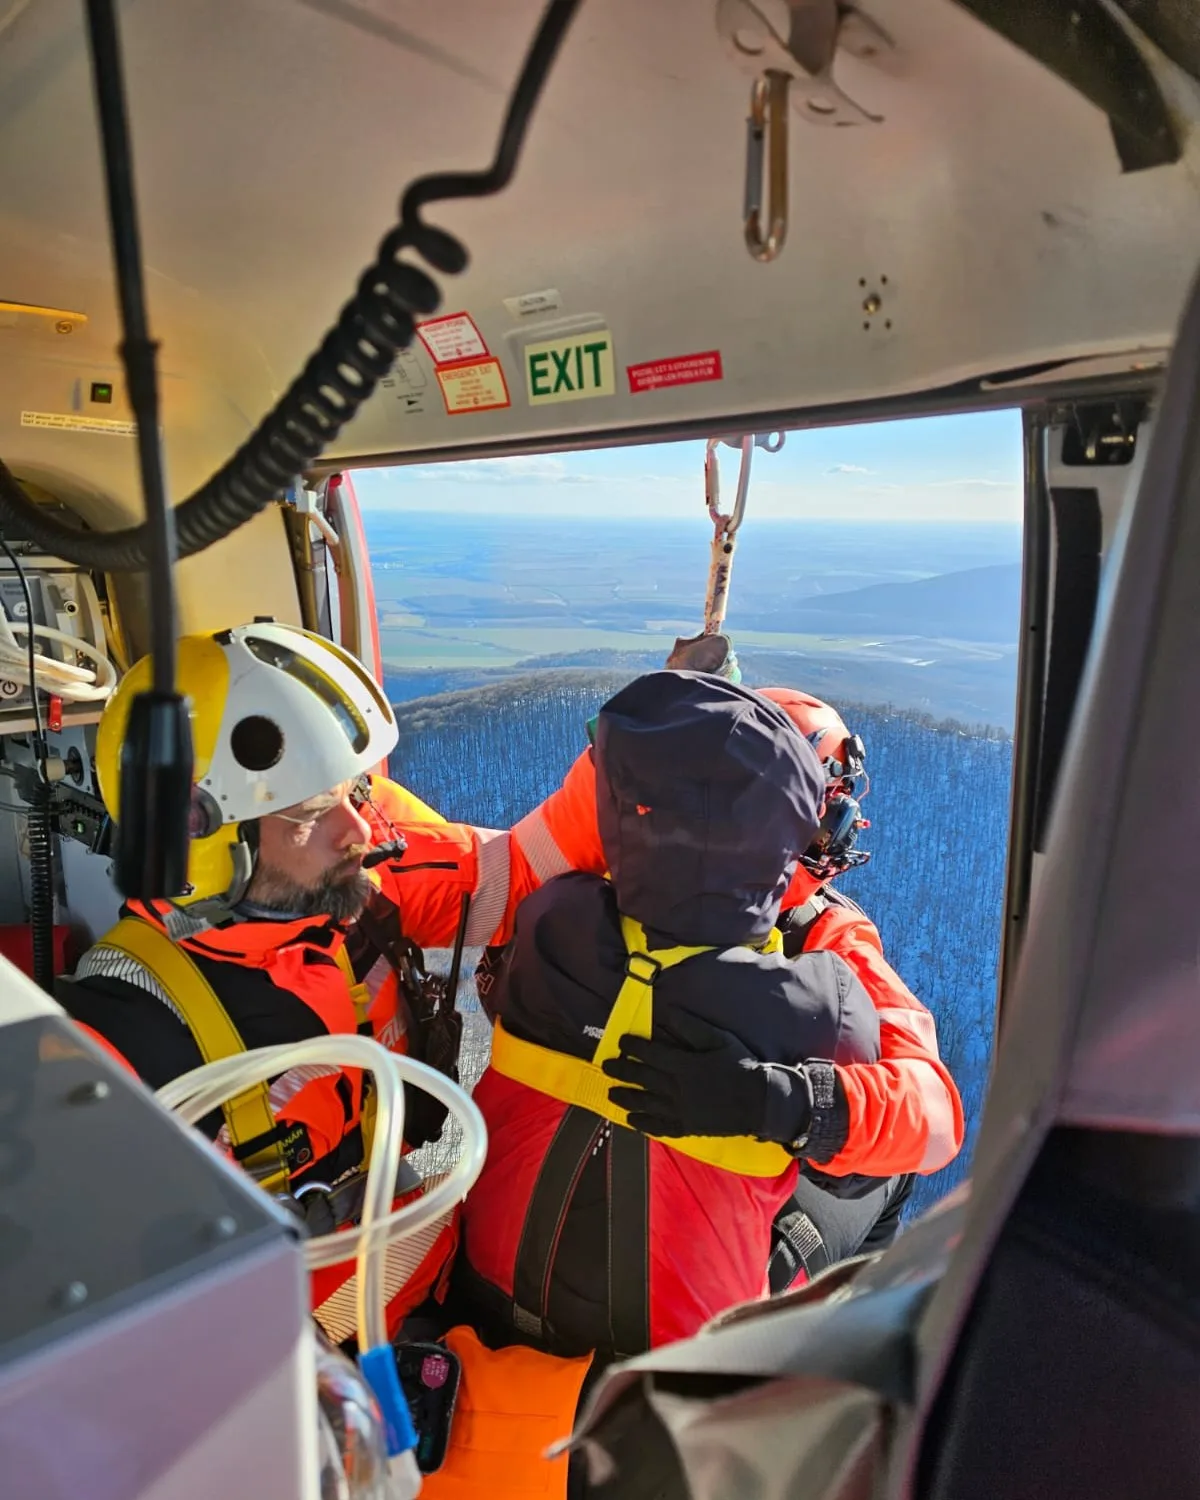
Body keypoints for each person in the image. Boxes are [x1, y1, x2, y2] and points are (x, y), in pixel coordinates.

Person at [57, 620, 567, 1341]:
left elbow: (523, 868)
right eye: (311, 809)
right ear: (202, 838)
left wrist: (671, 768)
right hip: (324, 1380)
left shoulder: (346, 887)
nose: (360, 826)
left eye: (353, 791)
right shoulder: (119, 1049)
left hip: (436, 1281)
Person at [457, 670, 905, 1360]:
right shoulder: (832, 997)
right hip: (675, 1367)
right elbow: (915, 1127)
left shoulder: (553, 916)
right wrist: (785, 1103)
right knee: (874, 1170)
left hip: (487, 1295)